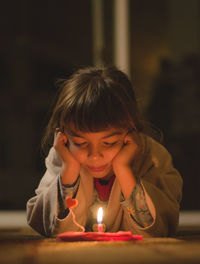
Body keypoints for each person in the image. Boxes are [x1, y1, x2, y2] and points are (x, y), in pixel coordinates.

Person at [26, 66, 182, 237]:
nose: (94, 156)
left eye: (109, 143)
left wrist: (123, 169)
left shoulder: (152, 156)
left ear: (130, 130)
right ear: (64, 136)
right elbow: (53, 229)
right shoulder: (64, 156)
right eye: (80, 142)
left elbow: (157, 229)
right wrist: (69, 169)